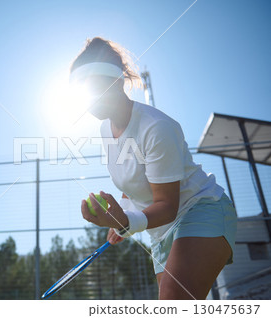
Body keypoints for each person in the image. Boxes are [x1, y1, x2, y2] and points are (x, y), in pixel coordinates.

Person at [73, 37, 237, 300]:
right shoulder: (105, 130)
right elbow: (134, 187)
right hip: (159, 232)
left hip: (199, 209)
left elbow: (167, 204)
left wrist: (127, 222)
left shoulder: (156, 127)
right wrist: (121, 221)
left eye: (91, 86)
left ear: (116, 81)